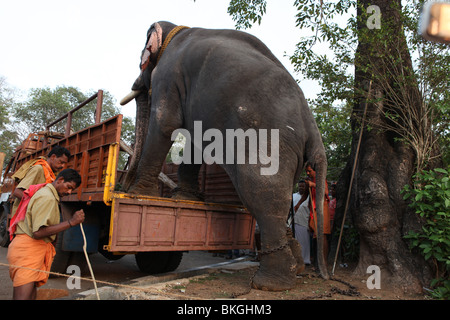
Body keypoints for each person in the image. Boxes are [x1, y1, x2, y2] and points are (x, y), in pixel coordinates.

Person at [7, 168, 85, 300]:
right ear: (60, 180)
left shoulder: (48, 194)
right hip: (28, 250)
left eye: (72, 190)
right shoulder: (47, 197)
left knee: (31, 294)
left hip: (30, 250)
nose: (69, 192)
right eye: (68, 187)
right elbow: (38, 233)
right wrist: (71, 222)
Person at [10, 145, 71, 218]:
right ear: (53, 157)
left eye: (64, 164)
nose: (62, 166)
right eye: (61, 162)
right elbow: (18, 192)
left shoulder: (52, 174)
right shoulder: (38, 169)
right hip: (23, 218)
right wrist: (39, 206)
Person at [304, 162, 331, 268]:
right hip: (313, 208)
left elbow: (325, 191)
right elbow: (306, 194)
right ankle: (317, 260)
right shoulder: (310, 180)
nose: (308, 173)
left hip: (322, 207)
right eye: (306, 171)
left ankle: (324, 261)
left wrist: (313, 185)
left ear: (315, 170)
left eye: (309, 171)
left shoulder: (320, 178)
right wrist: (297, 205)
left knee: (322, 235)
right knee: (315, 236)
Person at [293, 180, 311, 265]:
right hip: (294, 222)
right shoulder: (294, 196)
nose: (301, 188)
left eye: (303, 186)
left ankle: (305, 260)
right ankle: (297, 259)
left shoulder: (308, 197)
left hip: (304, 222)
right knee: (296, 242)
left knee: (304, 242)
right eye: (300, 186)